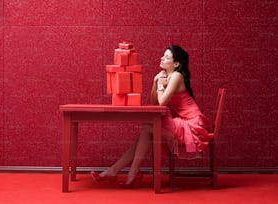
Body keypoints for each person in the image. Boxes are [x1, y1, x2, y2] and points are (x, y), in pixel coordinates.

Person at [91, 45, 212, 188]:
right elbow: (153, 101)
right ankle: (117, 172)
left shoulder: (176, 76)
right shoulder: (166, 76)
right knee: (146, 131)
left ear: (176, 64)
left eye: (167, 57)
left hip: (192, 125)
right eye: (163, 55)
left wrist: (160, 85)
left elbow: (161, 102)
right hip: (183, 122)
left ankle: (125, 173)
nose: (162, 58)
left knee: (147, 130)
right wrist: (155, 80)